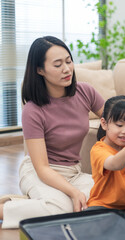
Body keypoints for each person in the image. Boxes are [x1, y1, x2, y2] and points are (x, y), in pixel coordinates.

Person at [0, 36, 104, 228]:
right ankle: (4, 209)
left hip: (73, 172)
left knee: (111, 193)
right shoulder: (33, 110)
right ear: (40, 70)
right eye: (57, 65)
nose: (67, 69)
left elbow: (113, 119)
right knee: (61, 207)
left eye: (68, 61)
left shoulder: (85, 92)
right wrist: (73, 192)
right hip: (40, 171)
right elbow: (43, 168)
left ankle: (24, 203)